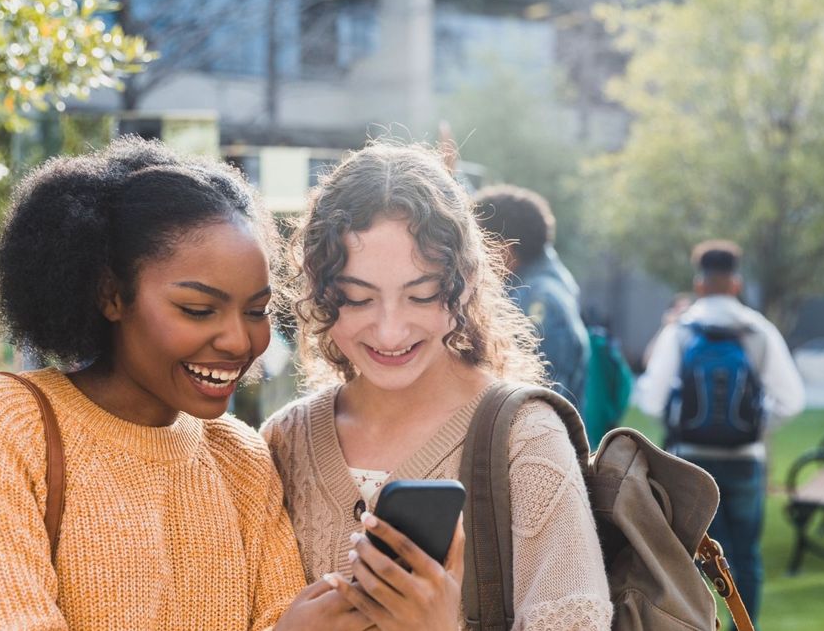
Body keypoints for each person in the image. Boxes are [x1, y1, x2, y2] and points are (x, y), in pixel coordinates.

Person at [0, 137, 376, 630]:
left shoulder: (241, 460)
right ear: (112, 295)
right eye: (198, 310)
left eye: (256, 311)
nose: (238, 341)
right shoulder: (4, 423)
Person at [262, 143, 612, 629]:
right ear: (318, 292)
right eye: (357, 299)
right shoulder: (283, 440)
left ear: (466, 282)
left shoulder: (526, 441)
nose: (389, 331)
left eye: (421, 295)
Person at [636, 240, 805, 624]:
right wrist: (755, 429)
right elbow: (791, 399)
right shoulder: (758, 330)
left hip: (690, 461)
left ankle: (696, 624)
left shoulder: (680, 331)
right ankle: (745, 625)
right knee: (745, 557)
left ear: (699, 284)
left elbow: (650, 399)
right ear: (736, 283)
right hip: (746, 461)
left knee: (690, 556)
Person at [473, 185, 590, 410]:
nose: (470, 255)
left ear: (504, 250)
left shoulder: (539, 303)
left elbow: (538, 405)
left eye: (477, 244)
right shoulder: (542, 287)